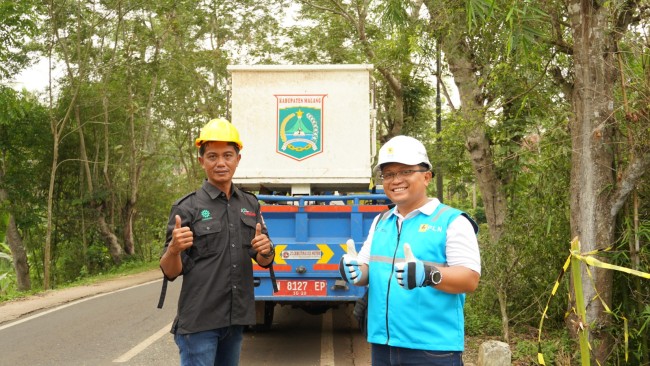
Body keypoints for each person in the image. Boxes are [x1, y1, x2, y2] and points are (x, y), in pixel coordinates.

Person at [339, 135, 481, 366]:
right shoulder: (381, 221)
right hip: (383, 345)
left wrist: (429, 274)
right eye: (389, 174)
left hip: (432, 349)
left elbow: (470, 279)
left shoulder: (452, 221)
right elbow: (366, 270)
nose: (396, 180)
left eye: (405, 171)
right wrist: (355, 270)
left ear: (426, 177)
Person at [159, 118, 275, 366]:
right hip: (199, 323)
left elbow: (264, 260)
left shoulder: (250, 204)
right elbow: (170, 272)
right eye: (212, 156)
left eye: (228, 155)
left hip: (235, 321)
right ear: (201, 161)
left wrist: (267, 250)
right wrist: (174, 249)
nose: (221, 163)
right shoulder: (186, 207)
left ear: (238, 159)